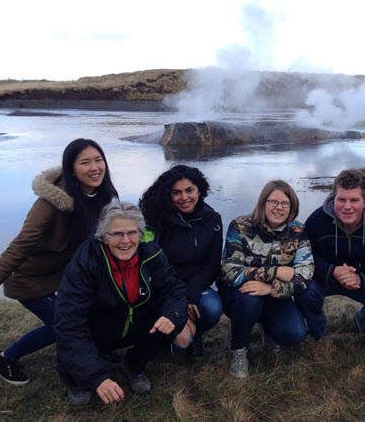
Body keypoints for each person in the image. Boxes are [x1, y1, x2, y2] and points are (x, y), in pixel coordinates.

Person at [0, 138, 118, 386]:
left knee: (97, 306)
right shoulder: (49, 205)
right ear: (71, 169)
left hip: (65, 274)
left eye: (98, 160)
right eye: (85, 162)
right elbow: (18, 248)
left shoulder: (100, 196)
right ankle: (4, 358)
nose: (95, 167)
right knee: (61, 325)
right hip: (29, 279)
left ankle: (93, 345)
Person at [53, 201, 187, 405]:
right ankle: (79, 379)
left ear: (141, 234)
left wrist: (171, 315)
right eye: (117, 234)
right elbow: (68, 322)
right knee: (79, 382)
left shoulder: (152, 253)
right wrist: (97, 377)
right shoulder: (85, 262)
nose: (126, 241)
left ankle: (132, 365)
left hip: (134, 324)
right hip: (97, 328)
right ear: (104, 236)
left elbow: (174, 290)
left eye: (132, 233)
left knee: (170, 321)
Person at [218, 180, 313, 378]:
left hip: (275, 293)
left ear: (292, 207)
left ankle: (268, 328)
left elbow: (305, 274)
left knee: (294, 334)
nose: (279, 207)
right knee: (250, 300)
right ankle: (239, 349)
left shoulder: (298, 231)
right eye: (273, 202)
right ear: (263, 203)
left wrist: (270, 289)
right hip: (240, 292)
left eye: (285, 203)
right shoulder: (240, 226)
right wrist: (274, 272)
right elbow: (230, 271)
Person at [297, 168, 365, 345]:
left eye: (354, 200)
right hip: (326, 278)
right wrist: (333, 271)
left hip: (364, 281)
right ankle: (318, 333)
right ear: (333, 198)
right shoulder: (316, 221)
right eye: (341, 200)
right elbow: (305, 259)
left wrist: (361, 279)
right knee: (303, 290)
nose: (347, 206)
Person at [138, 165, 223, 361]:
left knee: (211, 307)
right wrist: (178, 298)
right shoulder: (155, 219)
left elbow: (212, 264)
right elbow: (153, 263)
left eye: (189, 190)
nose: (184, 198)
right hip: (164, 286)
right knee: (178, 346)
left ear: (199, 190)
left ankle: (196, 335)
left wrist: (190, 295)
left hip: (195, 285)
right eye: (176, 192)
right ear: (168, 194)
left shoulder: (212, 219)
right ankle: (169, 336)